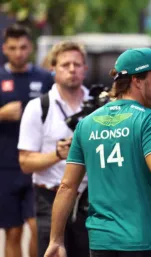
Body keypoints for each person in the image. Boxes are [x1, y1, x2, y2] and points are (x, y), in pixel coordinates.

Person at [43, 47, 151, 257]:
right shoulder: (149, 118)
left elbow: (67, 186)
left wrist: (56, 240)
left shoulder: (86, 124)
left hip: (101, 244)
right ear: (137, 81)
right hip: (145, 241)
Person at [17, 41, 90, 257]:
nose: (71, 69)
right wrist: (57, 154)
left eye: (77, 65)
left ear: (85, 69)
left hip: (89, 199)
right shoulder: (38, 107)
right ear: (53, 69)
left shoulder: (99, 105)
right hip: (50, 197)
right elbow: (25, 163)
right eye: (65, 64)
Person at [0, 23, 54, 257]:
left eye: (23, 47)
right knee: (13, 232)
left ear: (30, 47)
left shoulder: (44, 78)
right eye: (13, 48)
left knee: (37, 226)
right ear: (4, 49)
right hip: (5, 166)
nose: (18, 52)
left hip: (36, 163)